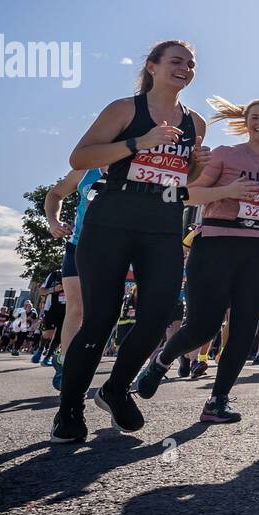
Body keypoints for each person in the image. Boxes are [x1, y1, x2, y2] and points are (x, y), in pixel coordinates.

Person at [51, 39, 209, 443]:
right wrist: (140, 142)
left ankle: (115, 388)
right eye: (177, 61)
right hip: (113, 218)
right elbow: (79, 158)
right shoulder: (126, 109)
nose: (185, 69)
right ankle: (68, 411)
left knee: (157, 316)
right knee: (100, 318)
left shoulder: (196, 123)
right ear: (153, 66)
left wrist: (193, 168)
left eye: (191, 65)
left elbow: (180, 180)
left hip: (164, 222)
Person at [134, 96, 259, 421]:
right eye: (254, 117)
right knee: (203, 326)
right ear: (246, 121)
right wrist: (228, 191)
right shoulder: (227, 154)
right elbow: (188, 193)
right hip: (216, 245)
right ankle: (161, 361)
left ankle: (217, 400)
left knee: (243, 329)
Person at [44, 167, 102, 388]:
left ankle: (81, 360)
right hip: (78, 245)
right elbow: (55, 194)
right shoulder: (88, 168)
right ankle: (67, 364)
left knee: (101, 312)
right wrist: (54, 222)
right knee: (76, 308)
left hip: (117, 250)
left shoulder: (139, 165)